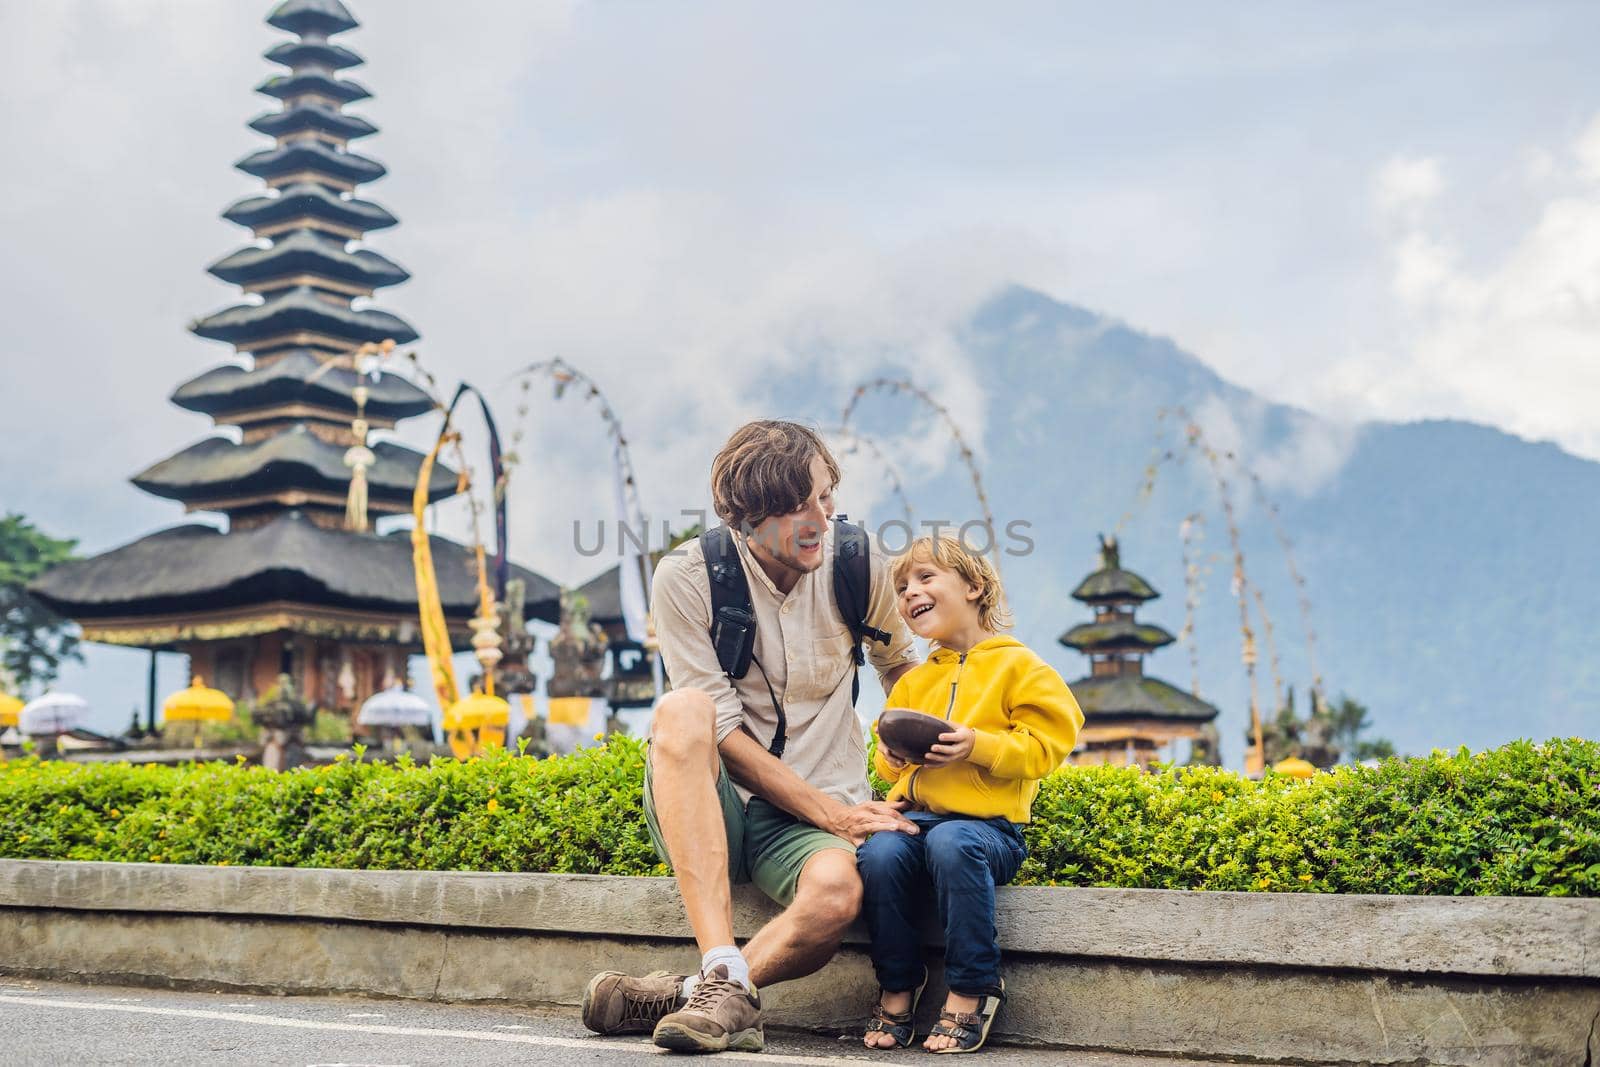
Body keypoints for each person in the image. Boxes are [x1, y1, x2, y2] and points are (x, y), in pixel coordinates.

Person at [581, 420, 920, 1054]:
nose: (821, 518)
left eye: (826, 496)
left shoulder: (858, 563)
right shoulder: (686, 578)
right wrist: (836, 816)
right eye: (798, 508)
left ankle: (708, 992)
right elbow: (721, 727)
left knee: (839, 893)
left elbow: (900, 665)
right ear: (749, 521)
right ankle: (716, 956)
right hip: (720, 807)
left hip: (814, 818)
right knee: (682, 710)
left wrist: (909, 735)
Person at [860, 535, 1082, 1053]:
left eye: (925, 577)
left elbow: (1048, 744)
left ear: (975, 586)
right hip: (923, 822)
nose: (909, 592)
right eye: (902, 586)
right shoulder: (914, 682)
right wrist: (891, 759)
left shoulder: (1021, 666)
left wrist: (977, 746)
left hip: (990, 833)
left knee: (953, 842)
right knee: (882, 852)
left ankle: (973, 986)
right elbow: (891, 755)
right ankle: (898, 984)